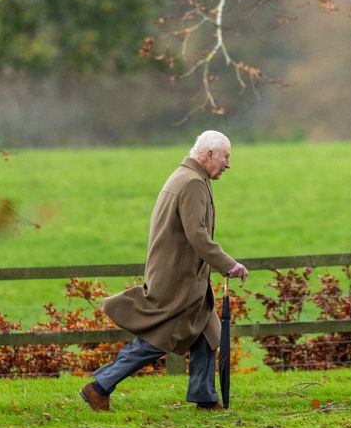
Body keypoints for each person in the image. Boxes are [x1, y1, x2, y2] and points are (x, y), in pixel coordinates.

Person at [79, 130, 249, 412]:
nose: (228, 164)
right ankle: (99, 387)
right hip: (178, 280)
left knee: (208, 333)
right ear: (208, 155)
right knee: (156, 341)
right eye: (226, 157)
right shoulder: (192, 183)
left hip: (185, 276)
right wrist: (228, 264)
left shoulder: (187, 176)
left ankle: (204, 397)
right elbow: (197, 236)